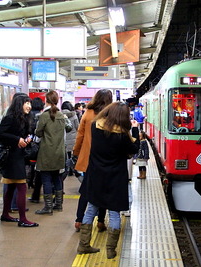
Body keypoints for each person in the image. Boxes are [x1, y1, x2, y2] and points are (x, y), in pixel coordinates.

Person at [76, 102, 140, 259]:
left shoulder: (94, 126)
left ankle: (83, 245)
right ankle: (110, 251)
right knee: (114, 213)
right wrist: (136, 130)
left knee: (91, 209)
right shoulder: (123, 135)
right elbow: (134, 149)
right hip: (115, 177)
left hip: (96, 174)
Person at [0, 94, 39, 227]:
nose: (29, 106)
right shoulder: (10, 117)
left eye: (29, 103)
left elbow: (25, 133)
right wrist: (17, 139)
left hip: (18, 155)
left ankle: (5, 214)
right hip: (12, 157)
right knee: (21, 186)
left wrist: (28, 138)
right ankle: (23, 219)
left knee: (12, 187)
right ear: (19, 104)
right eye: (26, 103)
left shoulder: (25, 118)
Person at [72, 89, 112, 232]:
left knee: (86, 190)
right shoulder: (110, 115)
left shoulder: (87, 113)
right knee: (103, 190)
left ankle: (79, 220)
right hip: (106, 159)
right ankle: (100, 221)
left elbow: (80, 135)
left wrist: (76, 152)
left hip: (89, 158)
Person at [35, 90, 66, 215]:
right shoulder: (61, 116)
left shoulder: (44, 116)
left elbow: (38, 132)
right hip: (59, 151)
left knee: (46, 178)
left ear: (46, 101)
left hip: (47, 152)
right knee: (57, 177)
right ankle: (58, 204)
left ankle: (48, 207)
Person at [28, 97, 44, 203]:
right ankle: (36, 193)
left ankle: (29, 183)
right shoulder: (41, 116)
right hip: (40, 146)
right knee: (39, 170)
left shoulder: (28, 115)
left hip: (29, 145)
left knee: (30, 166)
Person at [61, 101, 80, 179]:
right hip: (73, 138)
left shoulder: (60, 115)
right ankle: (72, 169)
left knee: (66, 155)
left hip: (64, 138)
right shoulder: (74, 115)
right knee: (72, 155)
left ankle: (66, 169)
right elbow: (77, 126)